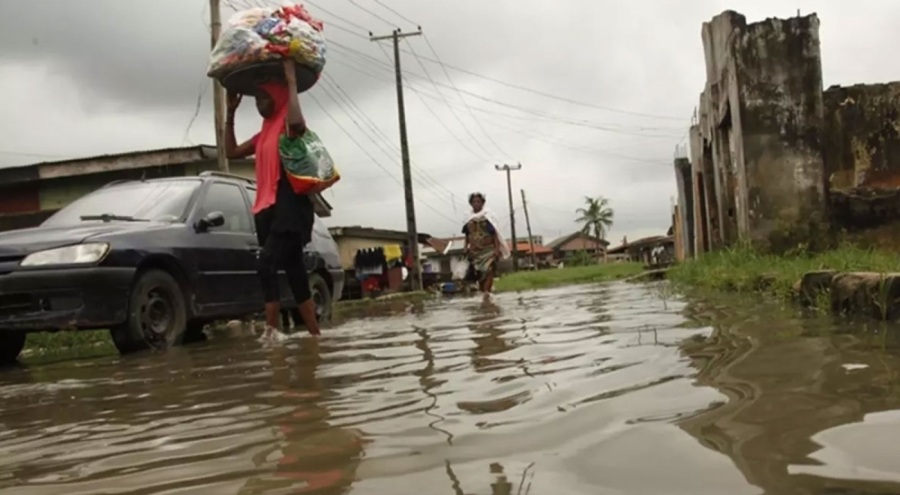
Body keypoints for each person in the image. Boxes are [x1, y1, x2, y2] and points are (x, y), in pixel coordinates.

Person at [224, 59, 336, 338]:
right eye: (257, 99)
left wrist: (292, 83)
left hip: (290, 209)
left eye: (264, 97)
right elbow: (231, 152)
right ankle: (315, 336)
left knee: (265, 264)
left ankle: (271, 331)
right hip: (267, 209)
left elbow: (297, 120)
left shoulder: (289, 125)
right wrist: (230, 113)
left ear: (278, 97)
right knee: (296, 272)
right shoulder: (263, 133)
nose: (259, 103)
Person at [462, 192, 510, 299]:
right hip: (475, 251)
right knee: (480, 274)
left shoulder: (488, 216)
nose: (476, 204)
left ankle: (487, 293)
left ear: (482, 203)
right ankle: (484, 293)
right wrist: (466, 247)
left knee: (489, 270)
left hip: (488, 249)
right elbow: (467, 235)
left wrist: (497, 249)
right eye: (474, 202)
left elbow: (495, 233)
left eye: (478, 201)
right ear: (471, 203)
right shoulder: (468, 218)